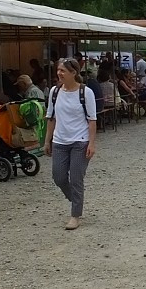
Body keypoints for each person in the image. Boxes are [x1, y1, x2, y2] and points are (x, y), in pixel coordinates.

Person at [45, 58, 97, 230]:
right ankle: (76, 199)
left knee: (76, 178)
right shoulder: (54, 91)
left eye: (63, 71)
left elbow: (92, 120)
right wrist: (47, 140)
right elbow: (51, 117)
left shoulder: (85, 92)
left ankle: (75, 215)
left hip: (80, 141)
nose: (59, 73)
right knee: (58, 177)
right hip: (60, 140)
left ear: (73, 73)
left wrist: (91, 143)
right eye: (58, 70)